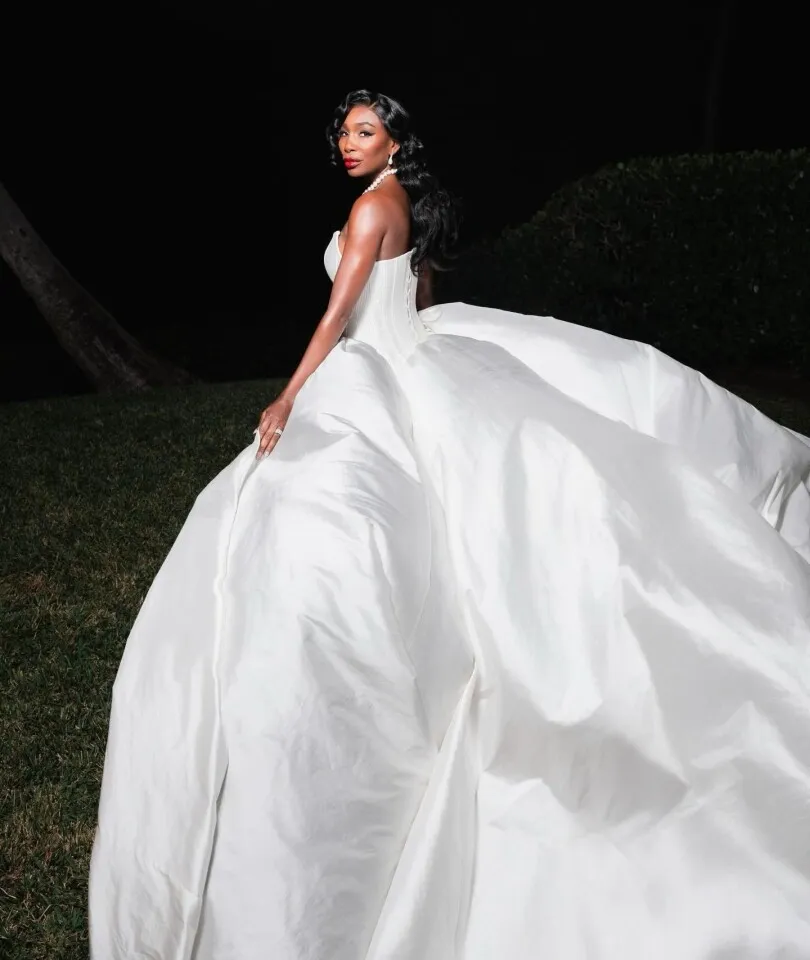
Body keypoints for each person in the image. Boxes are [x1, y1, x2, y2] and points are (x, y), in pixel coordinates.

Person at [89, 90, 810, 960]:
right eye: (344, 131)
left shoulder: (371, 211)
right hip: (414, 351)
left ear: (394, 139)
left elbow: (338, 317)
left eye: (364, 131)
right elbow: (411, 294)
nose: (348, 143)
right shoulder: (401, 204)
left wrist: (286, 396)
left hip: (371, 363)